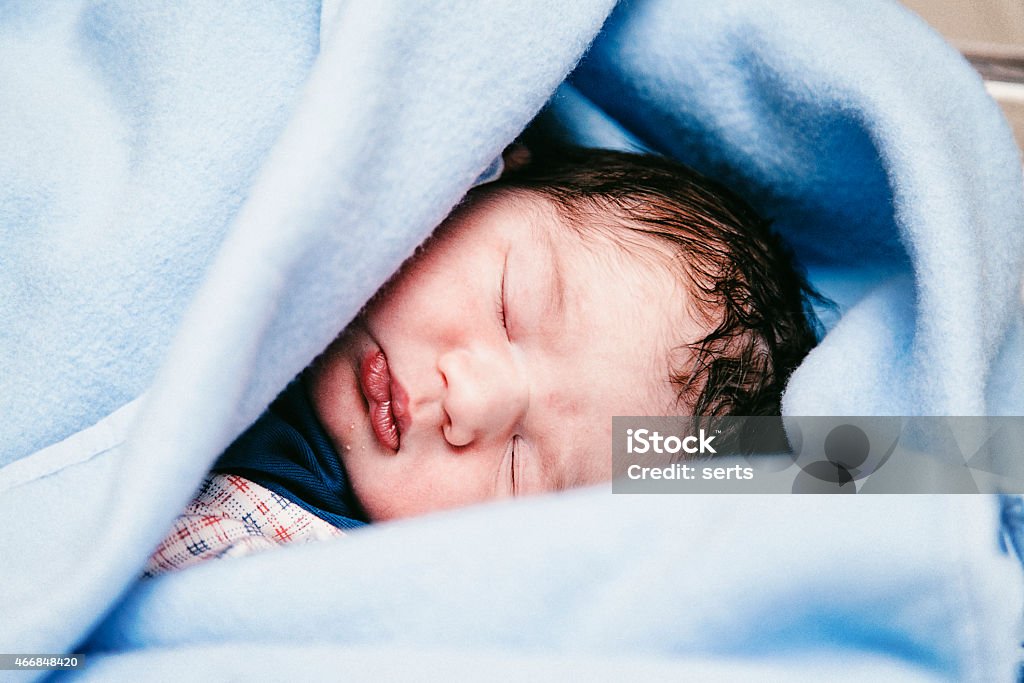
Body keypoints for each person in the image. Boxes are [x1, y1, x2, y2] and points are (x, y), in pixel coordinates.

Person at [145, 145, 823, 575]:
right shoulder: (310, 163)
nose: (470, 399)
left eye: (523, 467)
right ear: (486, 176)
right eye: (510, 306)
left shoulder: (310, 571)